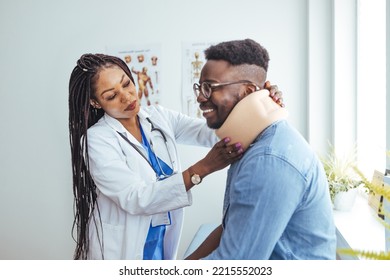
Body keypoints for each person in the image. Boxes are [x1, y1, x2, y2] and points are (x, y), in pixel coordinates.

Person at [68, 53, 282, 260]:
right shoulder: (96, 139)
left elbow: (212, 132)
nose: (127, 96)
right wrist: (203, 168)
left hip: (160, 238)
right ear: (96, 103)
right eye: (112, 96)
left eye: (126, 84)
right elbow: (135, 198)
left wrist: (257, 102)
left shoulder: (158, 117)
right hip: (121, 249)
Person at [186, 39, 337, 260]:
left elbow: (235, 265)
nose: (200, 97)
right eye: (200, 87)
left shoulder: (268, 159)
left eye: (210, 87)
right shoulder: (255, 144)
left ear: (248, 91)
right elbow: (231, 229)